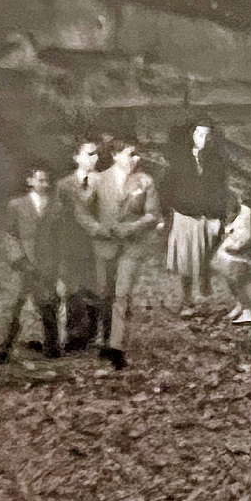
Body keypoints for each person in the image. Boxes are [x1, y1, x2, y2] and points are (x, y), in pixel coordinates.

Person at [77, 139, 163, 370]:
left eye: (137, 155)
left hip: (131, 247)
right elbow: (83, 211)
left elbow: (152, 214)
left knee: (122, 294)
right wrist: (96, 229)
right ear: (115, 155)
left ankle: (117, 347)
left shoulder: (145, 181)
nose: (135, 159)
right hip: (104, 246)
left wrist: (130, 228)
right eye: (130, 154)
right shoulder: (99, 179)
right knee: (104, 293)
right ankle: (104, 340)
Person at [0, 167, 61, 364]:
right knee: (16, 306)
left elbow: (60, 237)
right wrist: (18, 259)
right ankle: (5, 347)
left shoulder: (56, 206)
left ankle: (52, 347)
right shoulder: (16, 205)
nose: (44, 185)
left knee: (48, 304)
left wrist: (57, 261)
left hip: (47, 263)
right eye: (40, 180)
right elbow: (10, 235)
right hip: (24, 263)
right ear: (30, 181)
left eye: (46, 181)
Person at [164, 120, 228, 317]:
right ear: (192, 136)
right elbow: (167, 188)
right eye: (200, 135)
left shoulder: (216, 162)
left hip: (208, 217)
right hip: (185, 215)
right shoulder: (180, 160)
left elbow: (220, 192)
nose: (204, 139)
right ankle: (186, 299)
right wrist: (172, 210)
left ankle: (204, 290)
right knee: (186, 259)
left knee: (205, 257)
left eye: (208, 136)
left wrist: (218, 217)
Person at [55, 140, 102, 352]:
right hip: (71, 245)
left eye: (97, 154)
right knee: (73, 290)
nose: (95, 158)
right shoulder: (64, 185)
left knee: (94, 288)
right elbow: (56, 217)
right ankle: (75, 336)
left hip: (97, 246)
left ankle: (92, 333)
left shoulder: (104, 182)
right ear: (77, 157)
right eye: (90, 154)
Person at [213, 181, 251, 325]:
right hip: (239, 251)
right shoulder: (245, 211)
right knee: (232, 280)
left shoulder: (247, 212)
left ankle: (247, 311)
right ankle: (240, 305)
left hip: (242, 254)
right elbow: (239, 226)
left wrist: (235, 246)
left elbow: (247, 234)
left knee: (238, 283)